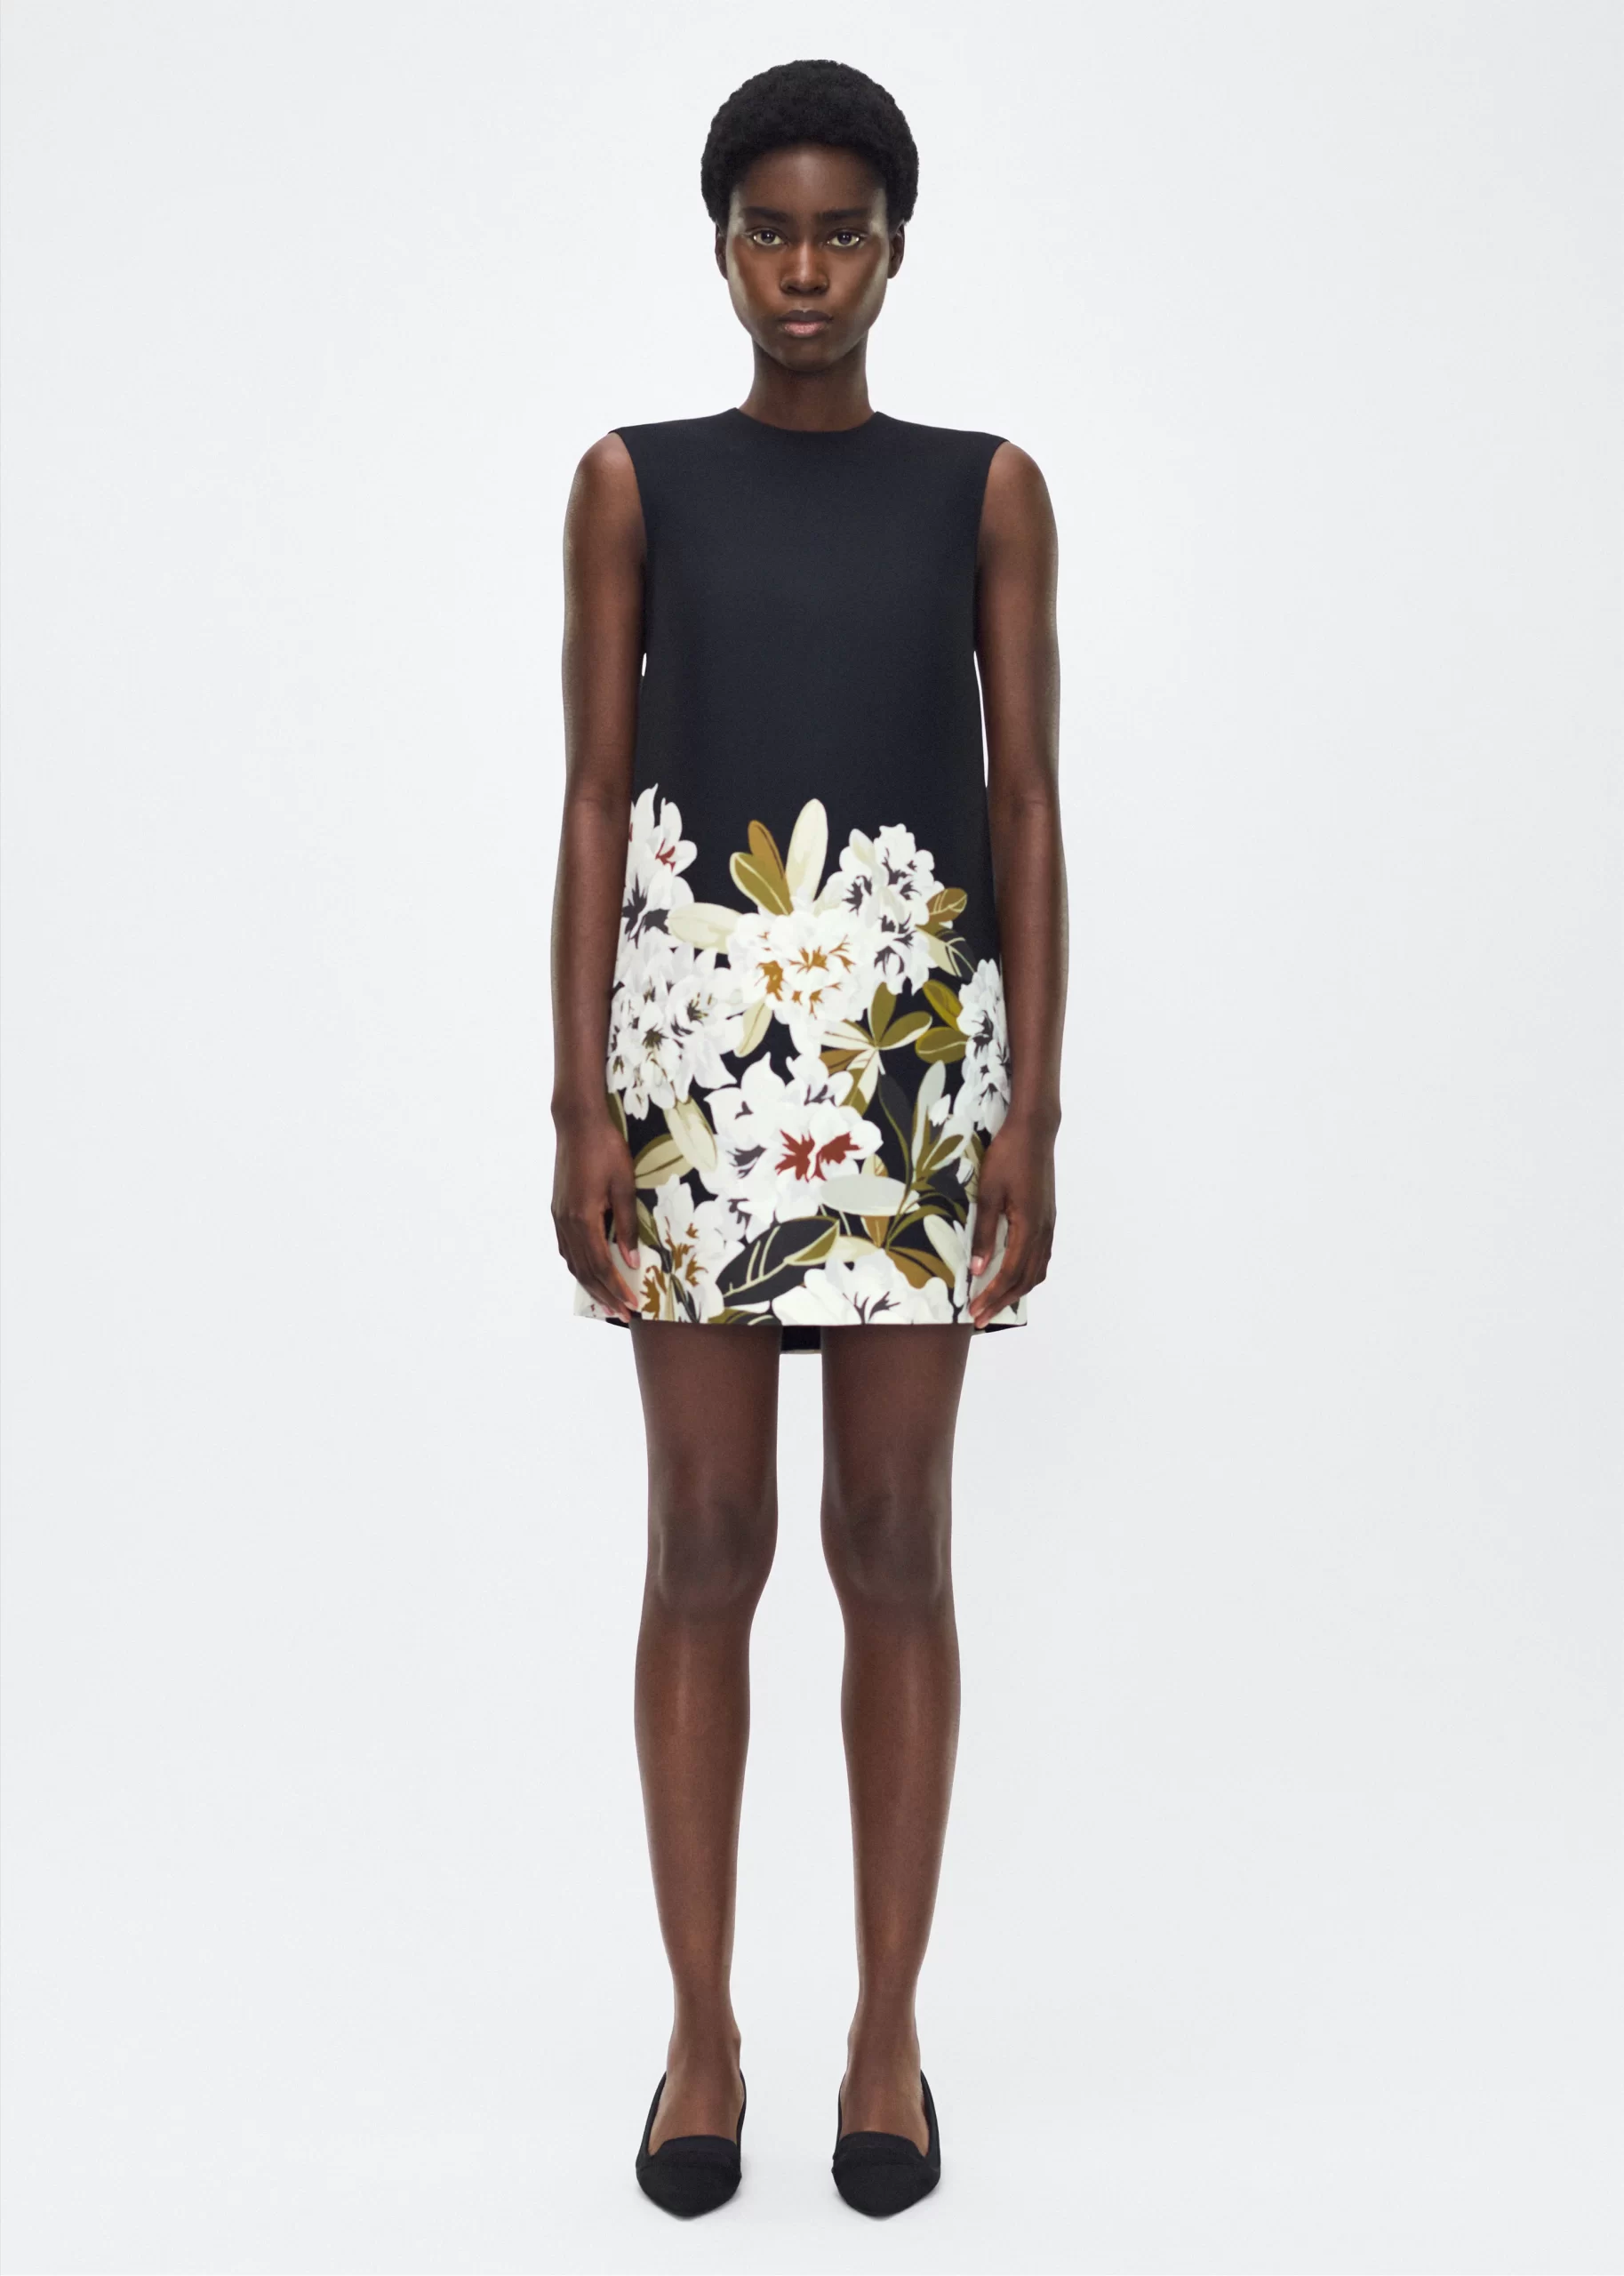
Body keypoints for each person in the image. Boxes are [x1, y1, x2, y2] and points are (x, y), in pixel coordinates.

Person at [549, 57, 1067, 2219]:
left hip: (915, 1050)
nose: (802, 268)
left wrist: (1031, 1102)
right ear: (719, 246)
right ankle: (701, 2033)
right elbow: (596, 792)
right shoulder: (634, 483)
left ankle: (883, 2034)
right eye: (768, 229)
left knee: (892, 1541)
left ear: (894, 250)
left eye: (840, 231)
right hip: (693, 1051)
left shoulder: (985, 490)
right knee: (700, 1540)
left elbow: (1024, 799)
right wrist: (578, 1091)